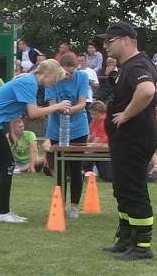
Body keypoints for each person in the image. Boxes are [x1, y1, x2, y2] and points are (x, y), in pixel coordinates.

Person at [0, 59, 70, 223]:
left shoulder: (27, 79)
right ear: (47, 73)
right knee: (8, 165)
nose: (54, 83)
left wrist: (11, 132)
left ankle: (5, 211)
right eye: (55, 78)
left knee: (7, 165)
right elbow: (33, 113)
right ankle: (3, 213)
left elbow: (8, 106)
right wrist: (56, 106)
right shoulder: (28, 82)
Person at [97, 21, 157, 260]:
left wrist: (126, 114)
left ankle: (142, 246)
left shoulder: (136, 66)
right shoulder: (133, 65)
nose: (105, 46)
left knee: (133, 189)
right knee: (122, 187)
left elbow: (146, 91)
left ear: (125, 40)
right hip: (129, 137)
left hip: (134, 135)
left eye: (109, 41)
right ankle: (126, 239)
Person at [44, 54, 89, 219]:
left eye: (72, 73)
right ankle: (60, 205)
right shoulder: (52, 79)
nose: (69, 76)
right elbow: (51, 104)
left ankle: (74, 206)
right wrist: (60, 108)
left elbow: (83, 103)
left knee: (76, 168)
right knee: (60, 169)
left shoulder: (82, 77)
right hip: (57, 128)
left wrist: (69, 110)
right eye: (66, 74)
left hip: (78, 128)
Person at [83, 101, 112, 182]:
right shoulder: (94, 122)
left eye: (95, 114)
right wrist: (83, 146)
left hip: (105, 150)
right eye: (91, 114)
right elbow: (89, 136)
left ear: (102, 113)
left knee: (86, 156)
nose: (92, 116)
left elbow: (96, 143)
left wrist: (84, 151)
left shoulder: (104, 122)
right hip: (98, 149)